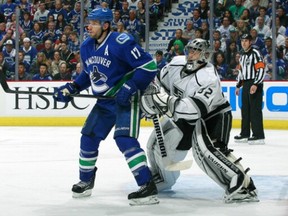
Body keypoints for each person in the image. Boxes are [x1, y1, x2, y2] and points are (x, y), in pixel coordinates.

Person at [53, 8, 159, 206]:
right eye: (89, 22)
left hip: (125, 99)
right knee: (88, 137)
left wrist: (132, 85)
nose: (89, 26)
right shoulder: (86, 46)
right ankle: (85, 181)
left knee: (124, 139)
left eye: (94, 22)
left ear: (106, 25)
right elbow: (89, 74)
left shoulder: (121, 42)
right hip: (104, 102)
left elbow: (149, 67)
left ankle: (147, 186)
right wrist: (73, 87)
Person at [140, 38, 258, 203]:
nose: (191, 55)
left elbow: (192, 110)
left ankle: (244, 187)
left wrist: (164, 102)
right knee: (156, 144)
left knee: (206, 151)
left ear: (205, 55)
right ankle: (163, 178)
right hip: (183, 113)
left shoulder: (208, 77)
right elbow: (157, 82)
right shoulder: (176, 64)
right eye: (190, 50)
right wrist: (150, 95)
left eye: (196, 51)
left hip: (213, 116)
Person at [234, 34, 265, 144]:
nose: (244, 43)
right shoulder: (242, 55)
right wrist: (238, 85)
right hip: (246, 84)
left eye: (246, 41)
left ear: (250, 42)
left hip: (254, 83)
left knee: (255, 110)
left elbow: (261, 69)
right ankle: (245, 133)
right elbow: (241, 72)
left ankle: (258, 135)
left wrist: (256, 84)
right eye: (242, 41)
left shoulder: (255, 53)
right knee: (245, 110)